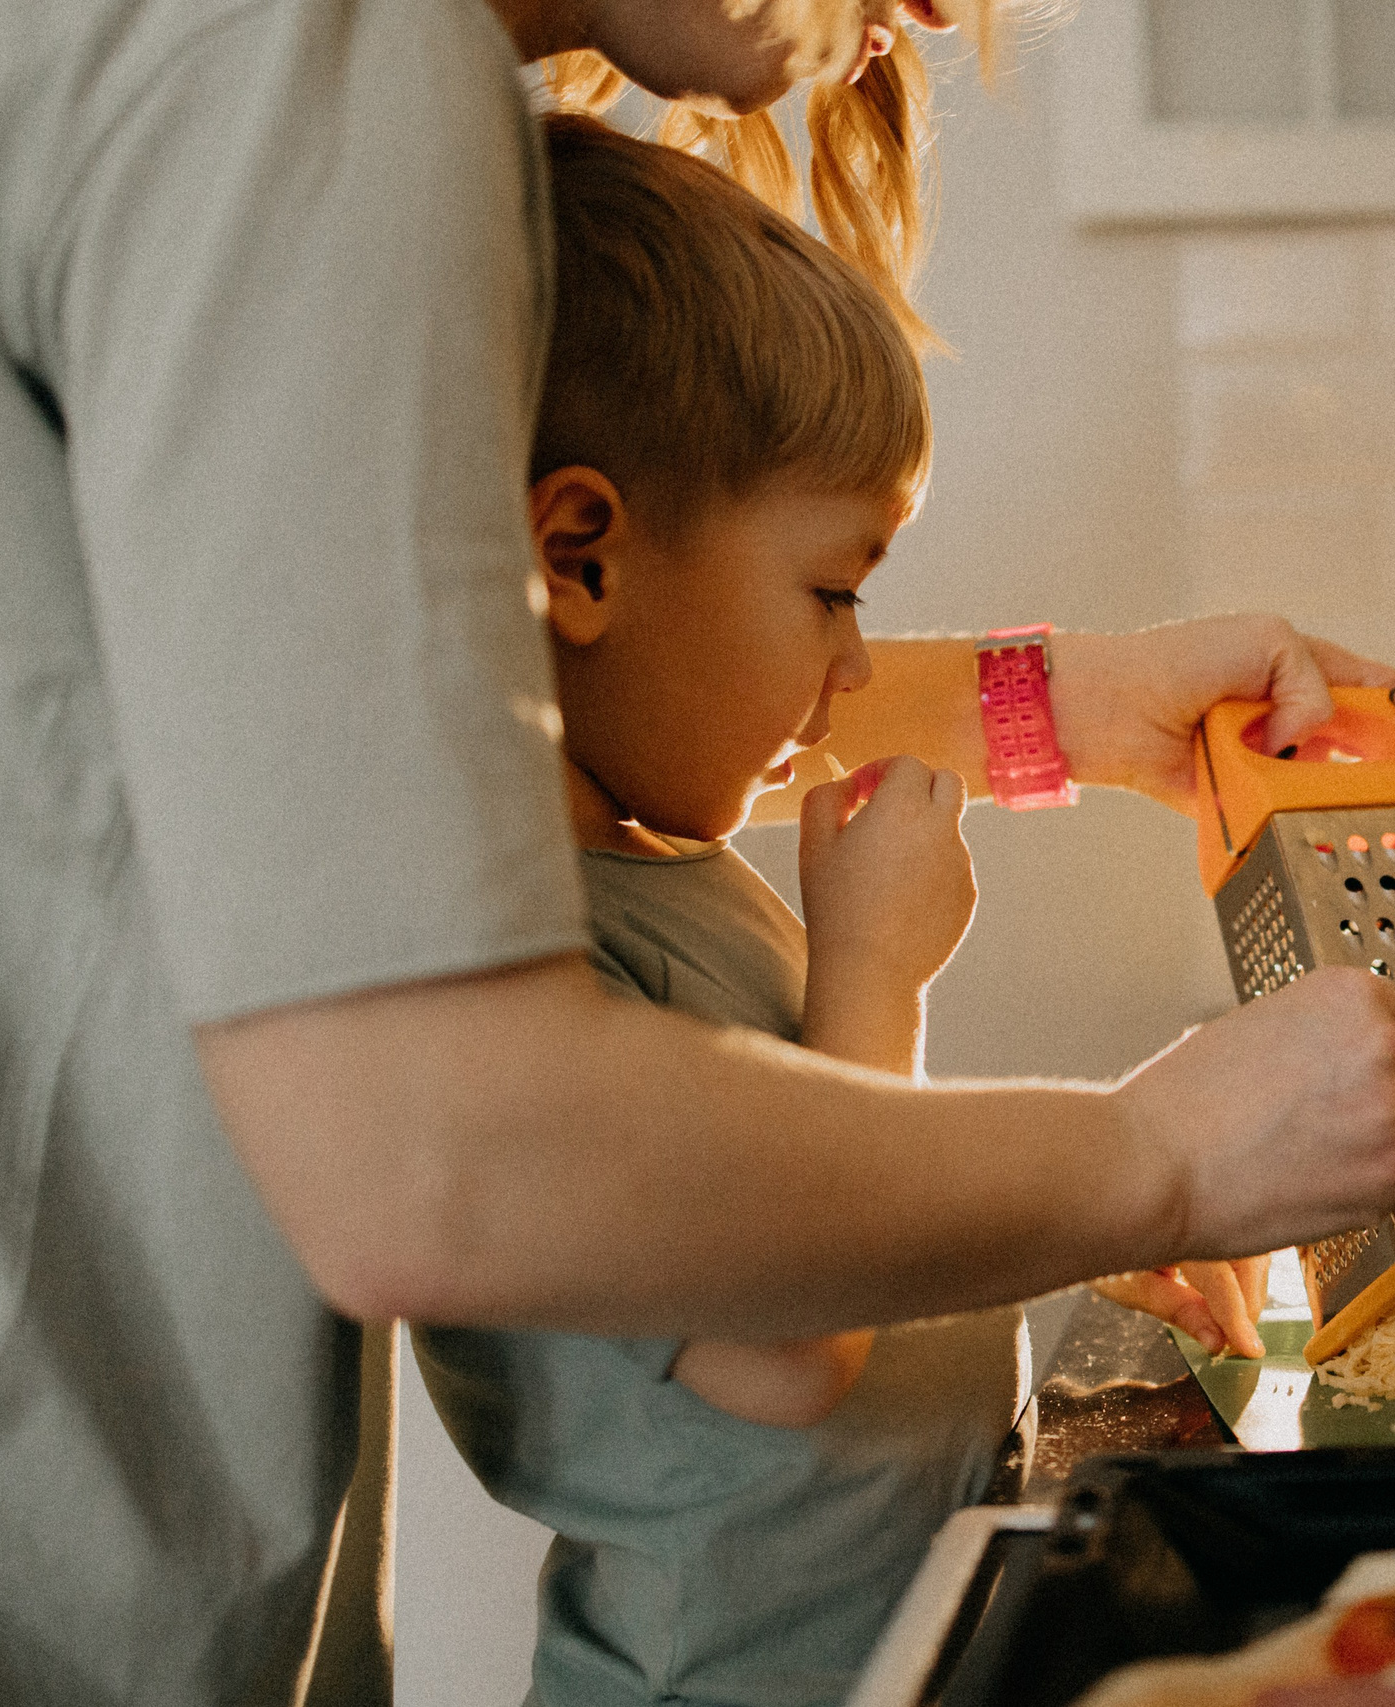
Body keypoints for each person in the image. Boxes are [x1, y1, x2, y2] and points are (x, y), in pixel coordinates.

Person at [0, 1, 1395, 1700]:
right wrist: (1157, 1154)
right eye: (836, 596)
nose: (949, 15)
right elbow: (448, 1141)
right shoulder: (297, 56)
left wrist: (1062, 710)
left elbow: (397, 711)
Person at [420, 114, 1039, 1705]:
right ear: (582, 560)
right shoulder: (533, 964)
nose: (855, 663)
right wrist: (876, 968)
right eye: (832, 591)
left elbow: (868, 1209)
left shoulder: (671, 877)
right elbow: (784, 1345)